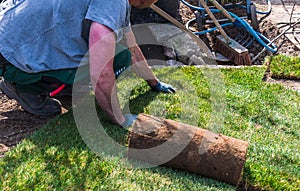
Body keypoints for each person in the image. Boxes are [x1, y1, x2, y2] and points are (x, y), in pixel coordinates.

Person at [0, 0, 176, 127]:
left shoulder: (118, 4)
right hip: (10, 55)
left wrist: (154, 83)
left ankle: (57, 83)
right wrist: (119, 118)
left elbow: (132, 49)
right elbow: (101, 74)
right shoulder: (113, 4)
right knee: (116, 58)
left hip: (14, 32)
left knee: (120, 53)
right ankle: (24, 87)